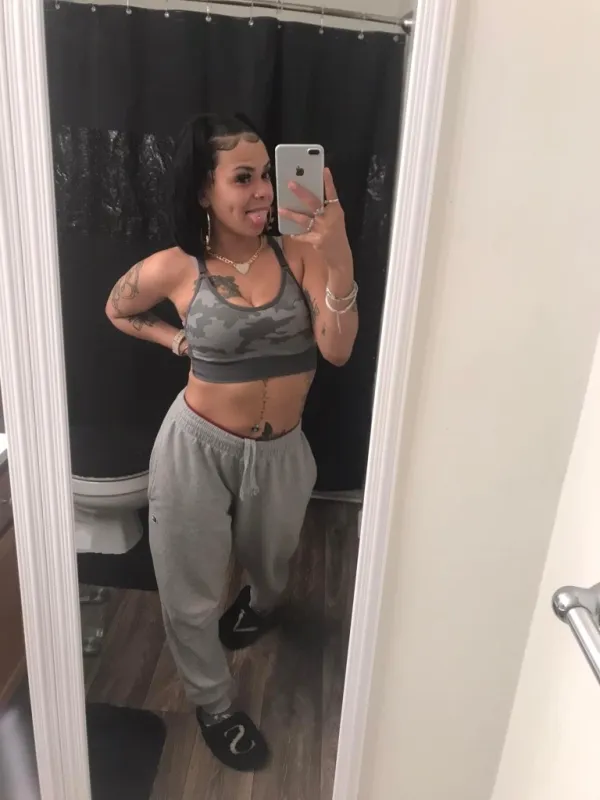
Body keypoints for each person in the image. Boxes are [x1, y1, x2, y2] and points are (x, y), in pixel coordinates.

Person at [105, 112, 359, 771]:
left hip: (282, 453)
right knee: (189, 590)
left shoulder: (300, 252)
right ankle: (213, 703)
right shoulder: (176, 267)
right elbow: (116, 307)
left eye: (267, 175)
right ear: (203, 189)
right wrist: (174, 340)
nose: (264, 191)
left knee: (272, 561)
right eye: (243, 177)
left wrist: (338, 256)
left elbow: (336, 350)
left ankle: (262, 605)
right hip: (195, 449)